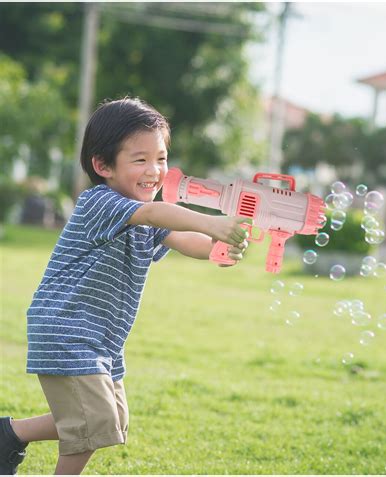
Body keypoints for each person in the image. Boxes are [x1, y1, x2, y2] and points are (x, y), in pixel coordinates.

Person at [0, 97, 250, 475]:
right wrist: (211, 221)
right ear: (103, 165)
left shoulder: (148, 213)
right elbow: (155, 212)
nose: (154, 170)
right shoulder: (100, 202)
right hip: (68, 328)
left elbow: (188, 242)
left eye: (161, 158)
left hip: (102, 338)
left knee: (111, 420)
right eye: (140, 159)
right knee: (92, 425)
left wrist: (222, 246)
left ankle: (10, 435)